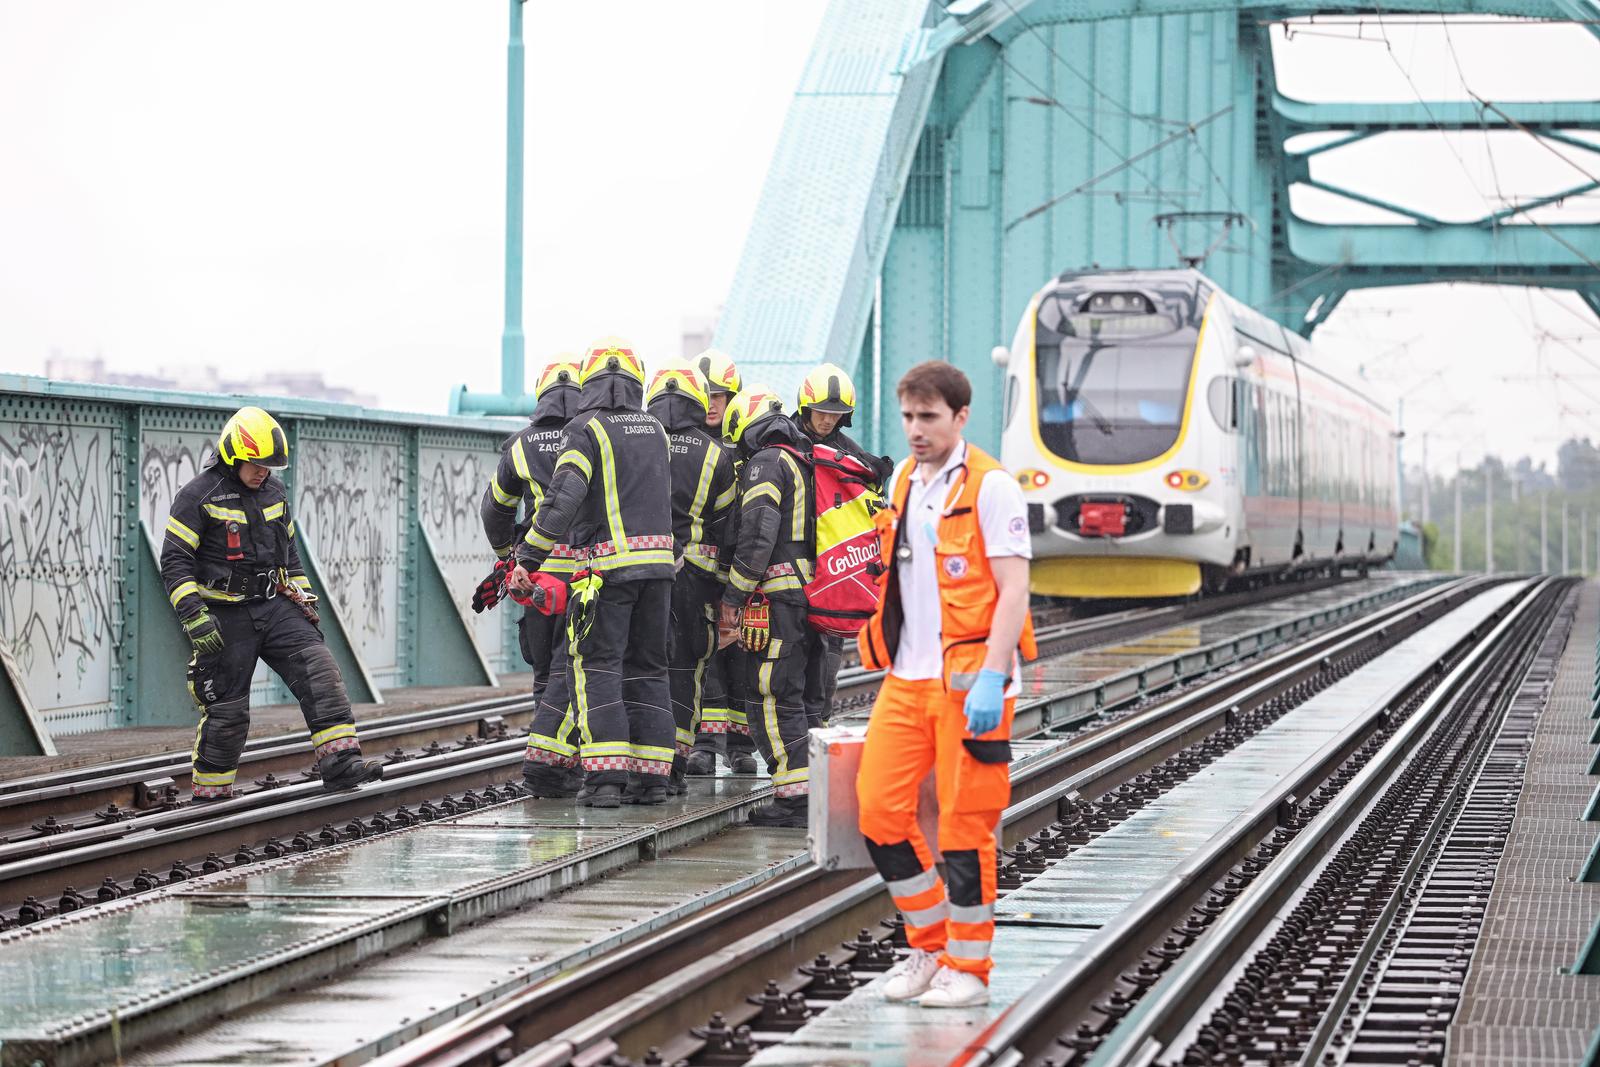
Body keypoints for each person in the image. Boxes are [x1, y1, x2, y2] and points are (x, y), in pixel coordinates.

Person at [855, 361, 1036, 1008]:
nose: (915, 429)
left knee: (964, 828)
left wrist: (994, 673)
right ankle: (929, 945)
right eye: (907, 417)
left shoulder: (992, 487)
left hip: (969, 684)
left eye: (928, 417)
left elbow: (1014, 587)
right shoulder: (903, 479)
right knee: (877, 812)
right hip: (905, 678)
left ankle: (969, 967)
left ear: (960, 417)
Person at [160, 406, 384, 802]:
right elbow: (175, 560)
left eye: (269, 465)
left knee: (320, 671)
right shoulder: (197, 496)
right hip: (224, 615)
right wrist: (194, 615)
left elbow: (290, 552)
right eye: (257, 464)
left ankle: (341, 764)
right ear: (233, 456)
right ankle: (210, 799)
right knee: (228, 714)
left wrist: (303, 599)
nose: (263, 471)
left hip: (275, 605)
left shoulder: (275, 492)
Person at [509, 338, 677, 808]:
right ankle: (652, 778)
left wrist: (527, 558)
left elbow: (562, 498)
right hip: (659, 571)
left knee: (596, 665)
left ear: (591, 385)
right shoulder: (655, 431)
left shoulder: (585, 429)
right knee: (649, 668)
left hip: (606, 571)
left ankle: (606, 779)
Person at [479, 358, 583, 794]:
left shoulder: (520, 446)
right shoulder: (590, 436)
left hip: (535, 579)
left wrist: (510, 558)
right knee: (577, 670)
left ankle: (546, 757)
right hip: (584, 578)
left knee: (544, 671)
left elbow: (495, 508)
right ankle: (561, 760)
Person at [718, 387, 819, 827]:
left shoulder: (766, 463)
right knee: (796, 694)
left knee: (771, 692)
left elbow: (758, 536)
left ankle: (796, 800)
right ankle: (806, 790)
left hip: (780, 597)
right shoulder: (803, 459)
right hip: (810, 594)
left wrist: (732, 597)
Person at [647, 360, 738, 792]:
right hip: (695, 581)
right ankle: (676, 766)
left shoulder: (636, 442)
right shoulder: (716, 454)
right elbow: (728, 526)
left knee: (643, 667)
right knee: (687, 670)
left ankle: (639, 764)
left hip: (639, 576)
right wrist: (727, 591)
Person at [792, 362, 893, 730]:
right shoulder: (784, 441)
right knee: (788, 659)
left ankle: (817, 723)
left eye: (835, 415)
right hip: (791, 566)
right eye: (821, 412)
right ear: (806, 407)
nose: (826, 421)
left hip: (832, 568)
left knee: (827, 656)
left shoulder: (851, 454)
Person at [685, 350, 760, 777]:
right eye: (707, 395)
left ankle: (740, 745)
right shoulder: (682, 442)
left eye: (722, 396)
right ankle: (704, 745)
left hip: (741, 572)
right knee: (703, 657)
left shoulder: (745, 447)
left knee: (742, 658)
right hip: (699, 572)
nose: (713, 404)